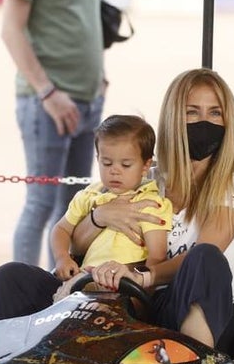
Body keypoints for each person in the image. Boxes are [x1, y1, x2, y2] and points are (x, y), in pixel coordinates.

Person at [0, 68, 234, 350]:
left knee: (205, 257)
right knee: (11, 278)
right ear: (174, 117)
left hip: (178, 306)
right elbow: (76, 245)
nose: (204, 122)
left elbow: (205, 252)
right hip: (126, 301)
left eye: (215, 113)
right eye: (192, 112)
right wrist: (99, 217)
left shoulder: (233, 183)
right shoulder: (145, 178)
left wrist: (140, 276)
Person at [1, 0, 106, 268]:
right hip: (47, 102)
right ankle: (24, 294)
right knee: (41, 204)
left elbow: (90, 18)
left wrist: (100, 75)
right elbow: (11, 29)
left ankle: (60, 291)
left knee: (74, 208)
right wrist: (47, 92)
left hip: (89, 98)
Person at [50, 115, 173, 299]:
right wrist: (62, 257)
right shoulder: (89, 196)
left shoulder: (151, 203)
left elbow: (157, 256)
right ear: (98, 158)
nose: (114, 170)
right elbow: (61, 229)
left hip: (124, 285)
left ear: (145, 165)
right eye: (106, 163)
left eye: (126, 164)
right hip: (85, 279)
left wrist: (142, 295)